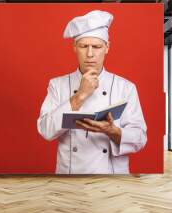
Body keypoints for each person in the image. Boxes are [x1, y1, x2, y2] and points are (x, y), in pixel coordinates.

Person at [37, 10, 147, 174]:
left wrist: (113, 131)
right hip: (70, 178)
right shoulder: (57, 85)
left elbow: (140, 139)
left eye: (96, 46)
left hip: (111, 179)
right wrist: (79, 96)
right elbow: (45, 130)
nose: (90, 54)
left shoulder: (125, 87)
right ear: (74, 47)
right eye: (83, 46)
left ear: (107, 47)